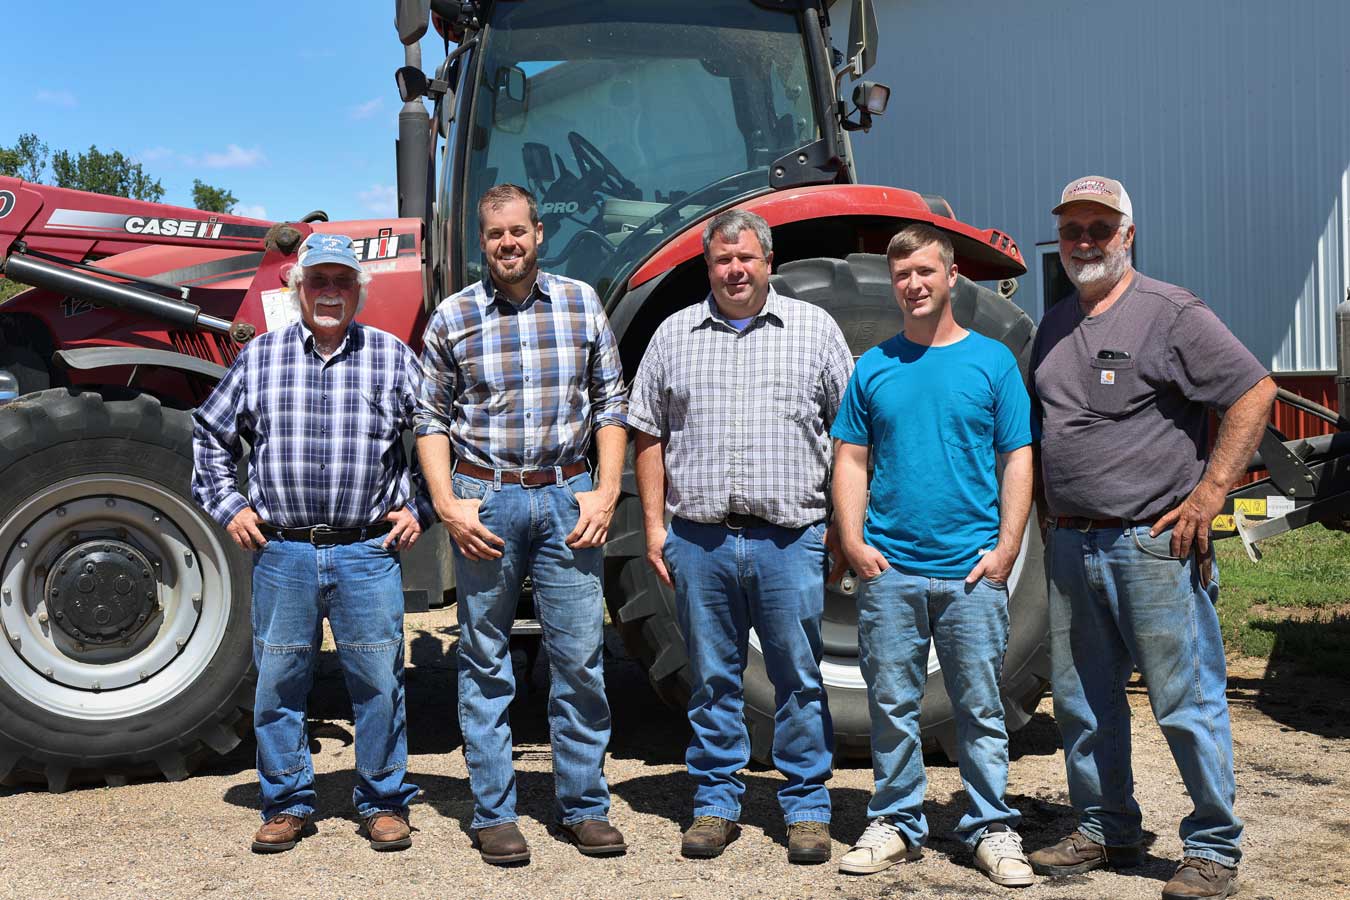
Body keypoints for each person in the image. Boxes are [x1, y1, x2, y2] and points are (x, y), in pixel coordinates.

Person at [1026, 176, 1275, 900]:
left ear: (1128, 235)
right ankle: (1107, 829)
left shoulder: (1170, 313)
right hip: (1072, 544)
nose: (1083, 241)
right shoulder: (1054, 323)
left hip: (1152, 545)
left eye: (1099, 228)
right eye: (1072, 228)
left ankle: (1213, 850)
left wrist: (1211, 492)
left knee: (1184, 700)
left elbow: (1252, 390)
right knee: (1081, 700)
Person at [629, 208, 853, 864]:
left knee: (799, 676)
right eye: (723, 260)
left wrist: (843, 525)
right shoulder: (674, 334)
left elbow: (849, 435)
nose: (734, 270)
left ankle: (808, 805)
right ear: (708, 266)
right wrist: (652, 527)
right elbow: (647, 433)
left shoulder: (814, 329)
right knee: (712, 676)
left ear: (768, 262)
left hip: (791, 538)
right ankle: (715, 802)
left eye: (746, 258)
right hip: (700, 540)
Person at [192, 232, 428, 853]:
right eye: (317, 280)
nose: (329, 291)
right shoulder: (260, 358)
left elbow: (437, 435)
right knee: (279, 680)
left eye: (341, 281)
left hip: (367, 550)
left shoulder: (393, 357)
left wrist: (424, 507)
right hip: (283, 550)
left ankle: (382, 800)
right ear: (297, 288)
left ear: (358, 292)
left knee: (379, 679)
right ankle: (289, 801)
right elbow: (209, 436)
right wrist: (230, 506)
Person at [414, 184, 629, 865]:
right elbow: (430, 420)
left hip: (569, 495)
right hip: (488, 501)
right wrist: (448, 504)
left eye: (517, 231)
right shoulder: (453, 317)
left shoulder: (580, 303)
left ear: (539, 233)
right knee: (483, 659)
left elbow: (611, 403)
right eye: (494, 234)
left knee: (580, 658)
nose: (507, 243)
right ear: (483, 243)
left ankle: (584, 806)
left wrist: (606, 494)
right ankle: (494, 812)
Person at [829, 224, 1035, 886]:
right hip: (891, 570)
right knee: (892, 705)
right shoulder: (874, 367)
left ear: (951, 277)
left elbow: (1018, 457)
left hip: (971, 571)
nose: (914, 285)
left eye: (924, 272)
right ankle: (895, 822)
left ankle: (990, 826)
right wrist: (854, 539)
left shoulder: (992, 362)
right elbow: (851, 459)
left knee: (979, 705)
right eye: (902, 276)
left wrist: (1006, 548)